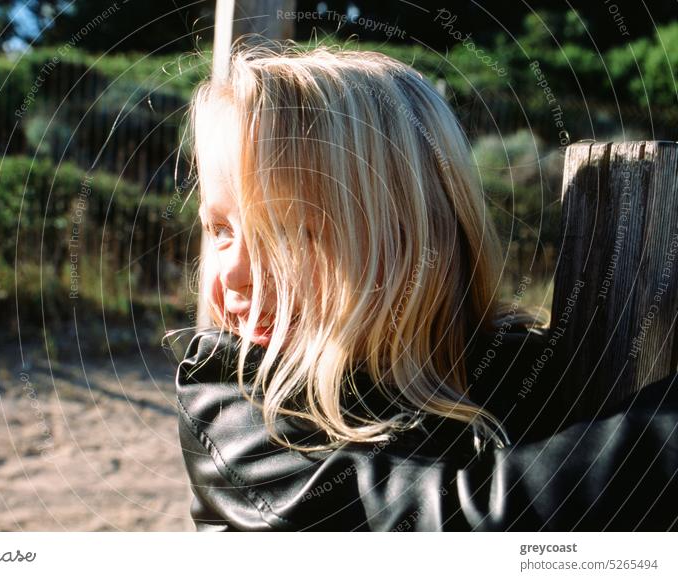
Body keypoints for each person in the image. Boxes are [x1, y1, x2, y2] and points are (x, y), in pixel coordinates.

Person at [170, 41, 678, 531]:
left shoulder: (516, 373)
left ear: (412, 238)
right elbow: (460, 527)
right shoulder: (236, 413)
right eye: (220, 229)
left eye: (283, 234)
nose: (234, 272)